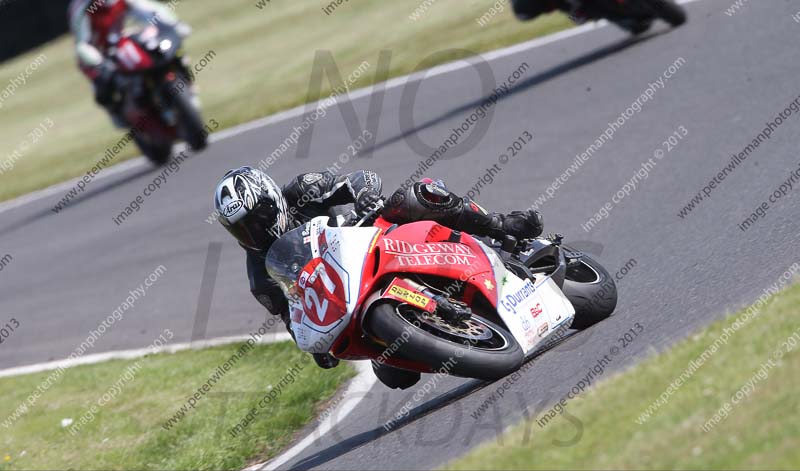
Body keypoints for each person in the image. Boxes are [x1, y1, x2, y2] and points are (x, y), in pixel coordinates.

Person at [213, 166, 544, 369]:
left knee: (417, 196)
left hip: (376, 237)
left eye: (257, 220)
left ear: (273, 200)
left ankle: (500, 224)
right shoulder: (260, 276)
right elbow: (291, 315)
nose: (254, 231)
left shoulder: (302, 190)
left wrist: (365, 198)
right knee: (393, 373)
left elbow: (359, 178)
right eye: (241, 228)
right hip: (351, 297)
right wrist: (313, 348)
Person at [68, 0, 184, 127]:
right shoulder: (81, 9)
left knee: (160, 50)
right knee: (104, 86)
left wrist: (172, 24)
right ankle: (117, 114)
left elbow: (148, 10)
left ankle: (182, 80)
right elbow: (82, 45)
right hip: (95, 55)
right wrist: (100, 63)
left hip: (119, 42)